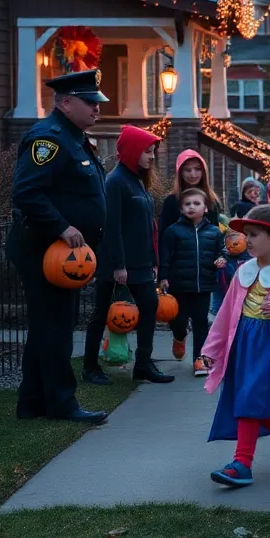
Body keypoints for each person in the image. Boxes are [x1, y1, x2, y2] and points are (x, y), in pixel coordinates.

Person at [9, 70, 110, 423]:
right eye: (90, 103)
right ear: (66, 103)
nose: (97, 110)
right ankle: (61, 404)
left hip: (62, 252)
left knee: (45, 328)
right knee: (55, 329)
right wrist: (61, 226)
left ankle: (32, 403)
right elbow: (26, 192)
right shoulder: (49, 138)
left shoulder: (73, 136)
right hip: (44, 250)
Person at [201, 205, 270, 488]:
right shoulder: (243, 272)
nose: (246, 241)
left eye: (253, 234)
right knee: (251, 399)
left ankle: (242, 464)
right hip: (244, 344)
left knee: (250, 398)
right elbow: (226, 314)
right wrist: (211, 350)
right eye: (246, 235)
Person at [82, 125, 173, 386]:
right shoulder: (116, 181)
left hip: (141, 262)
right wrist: (119, 265)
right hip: (116, 263)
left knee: (149, 306)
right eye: (147, 151)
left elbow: (147, 226)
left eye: (153, 151)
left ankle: (143, 365)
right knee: (100, 313)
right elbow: (112, 227)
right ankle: (90, 367)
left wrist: (153, 261)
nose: (152, 156)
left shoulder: (137, 180)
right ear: (133, 151)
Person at [158, 188, 227, 377]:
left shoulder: (214, 232)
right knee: (178, 321)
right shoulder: (173, 231)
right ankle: (179, 336)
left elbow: (222, 251)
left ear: (205, 208)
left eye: (196, 203)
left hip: (203, 286)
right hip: (179, 285)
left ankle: (200, 360)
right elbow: (165, 257)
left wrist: (221, 258)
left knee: (201, 324)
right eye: (187, 204)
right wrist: (163, 277)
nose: (191, 207)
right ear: (181, 209)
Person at [159, 149, 222, 240]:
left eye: (197, 169)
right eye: (187, 170)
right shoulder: (171, 201)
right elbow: (163, 237)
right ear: (180, 172)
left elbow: (217, 237)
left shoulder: (211, 201)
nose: (193, 174)